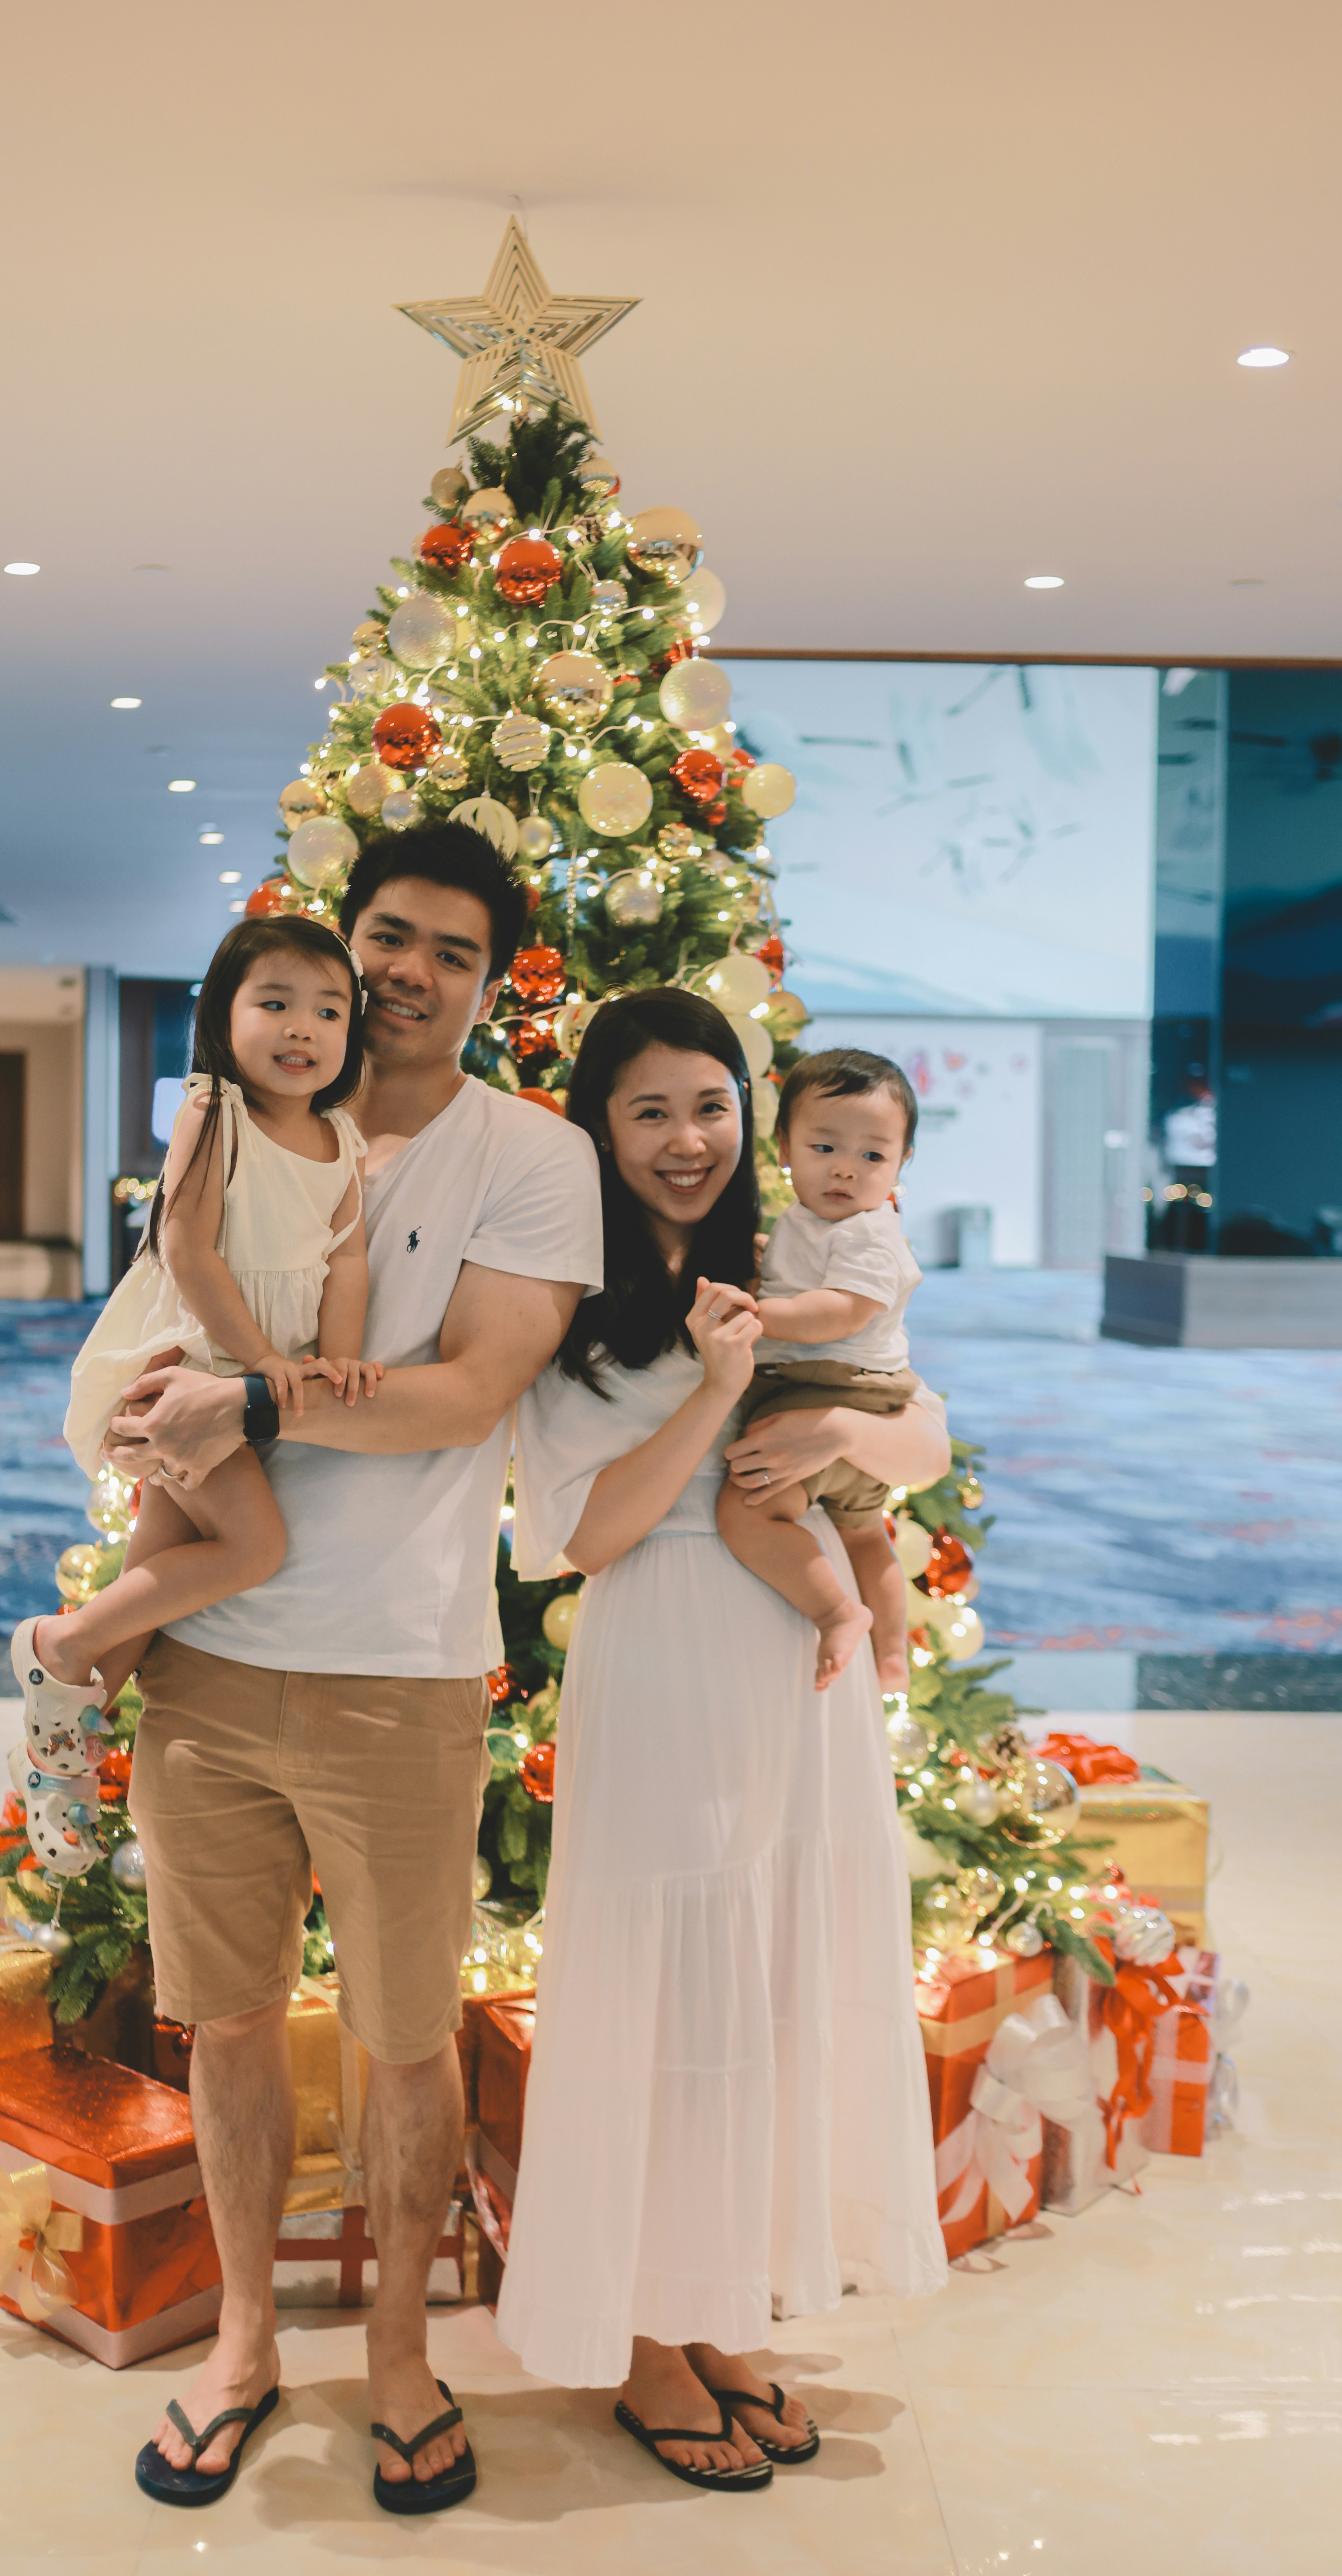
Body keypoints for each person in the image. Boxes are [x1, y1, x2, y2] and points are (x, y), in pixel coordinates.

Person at [98, 822, 603, 2513]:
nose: (406, 971)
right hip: (207, 1656)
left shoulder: (528, 1153)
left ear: (492, 980)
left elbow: (465, 1394)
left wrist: (253, 1399)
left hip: (400, 1667)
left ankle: (398, 2347)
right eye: (387, 933)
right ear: (339, 940)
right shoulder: (240, 1124)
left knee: (403, 2036)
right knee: (228, 2020)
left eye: (452, 950)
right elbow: (158, 1318)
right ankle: (244, 2338)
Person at [496, 989, 949, 2488]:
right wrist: (717, 1394)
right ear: (599, 1126)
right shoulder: (569, 1300)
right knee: (668, 1992)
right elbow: (583, 1535)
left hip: (798, 1664)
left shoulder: (793, 1249)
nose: (685, 1140)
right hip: (666, 1649)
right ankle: (643, 2337)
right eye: (648, 1111)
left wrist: (837, 1436)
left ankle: (716, 2304)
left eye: (709, 1106)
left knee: (765, 1986)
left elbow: (921, 1425)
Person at [4, 919, 375, 1874]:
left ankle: (59, 1758)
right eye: (275, 1003)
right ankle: (59, 1641)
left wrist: (337, 1359)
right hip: (187, 1363)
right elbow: (187, 1247)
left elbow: (348, 1261)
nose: (303, 1027)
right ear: (223, 1015)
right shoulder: (216, 1112)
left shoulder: (343, 1137)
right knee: (254, 1546)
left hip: (244, 1381)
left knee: (150, 1590)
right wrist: (261, 1361)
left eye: (329, 1010)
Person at [714, 1047, 930, 1695]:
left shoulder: (870, 1233)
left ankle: (838, 1612)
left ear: (901, 1162)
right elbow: (807, 1274)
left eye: (872, 1156)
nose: (845, 1169)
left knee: (746, 1511)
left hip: (833, 1387)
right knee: (863, 1533)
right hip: (849, 1390)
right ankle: (891, 1655)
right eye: (824, 1147)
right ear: (785, 1147)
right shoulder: (809, 1223)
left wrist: (759, 1312)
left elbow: (839, 1312)